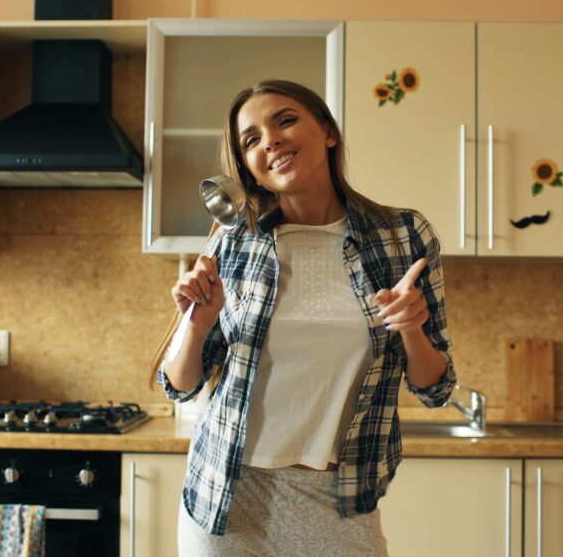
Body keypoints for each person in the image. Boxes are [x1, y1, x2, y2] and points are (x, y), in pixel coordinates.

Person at [157, 79, 457, 556]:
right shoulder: (234, 240)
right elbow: (180, 384)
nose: (269, 141)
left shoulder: (403, 236)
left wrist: (412, 329)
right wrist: (196, 325)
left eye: (285, 120)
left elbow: (435, 386)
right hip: (228, 495)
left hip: (338, 500)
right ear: (249, 167)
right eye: (251, 139)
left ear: (328, 132)